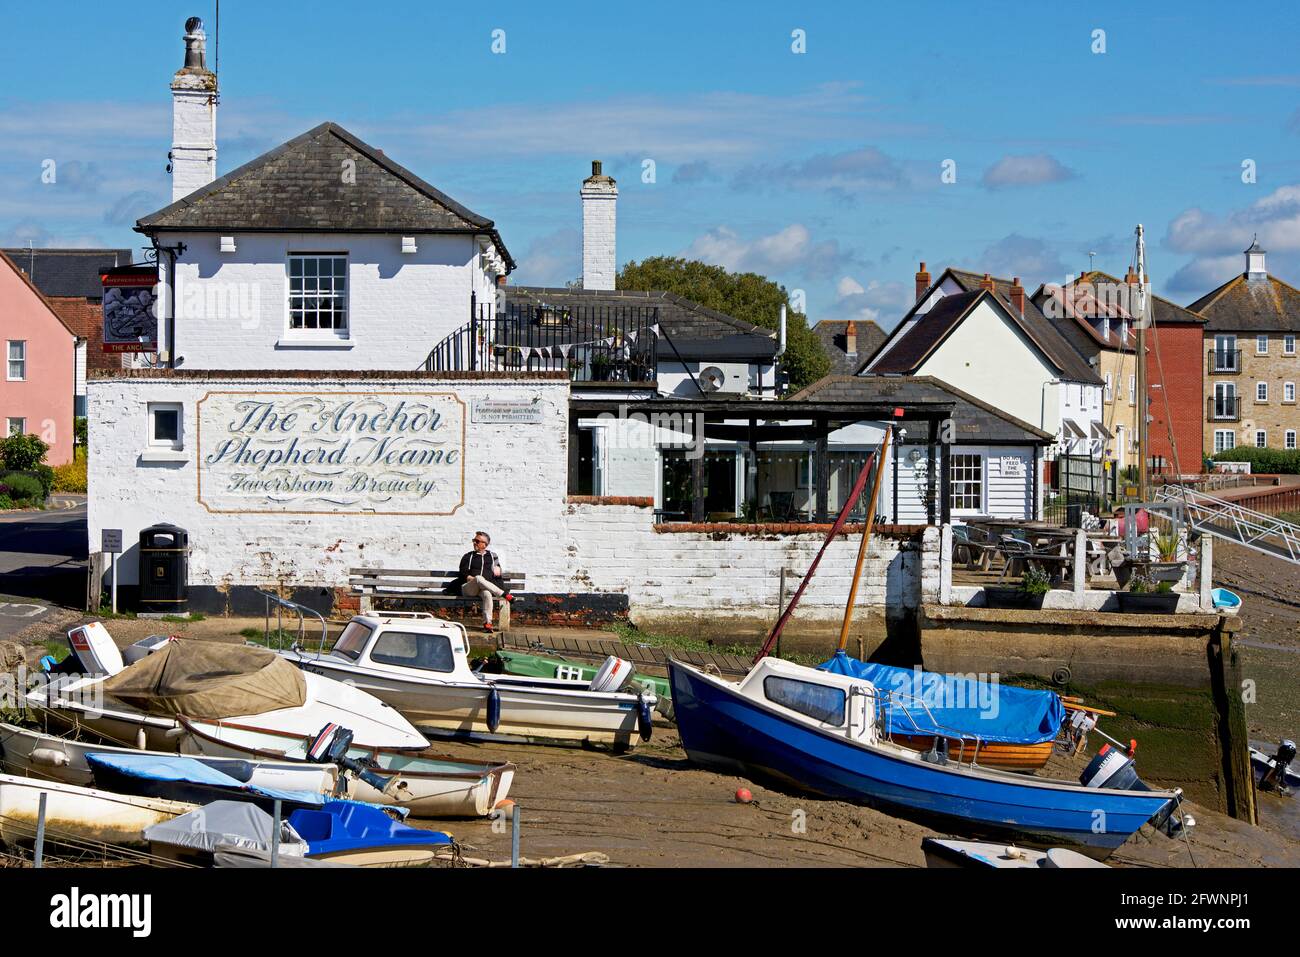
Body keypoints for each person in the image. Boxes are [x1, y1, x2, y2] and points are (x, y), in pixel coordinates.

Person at [455, 531, 514, 632]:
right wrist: (476, 580)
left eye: (477, 541)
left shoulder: (492, 556)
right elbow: (462, 574)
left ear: (485, 544)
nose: (474, 543)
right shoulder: (468, 556)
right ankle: (504, 594)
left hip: (483, 589)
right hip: (469, 588)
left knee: (487, 594)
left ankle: (487, 624)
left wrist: (498, 569)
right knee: (478, 578)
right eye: (474, 540)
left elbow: (497, 569)